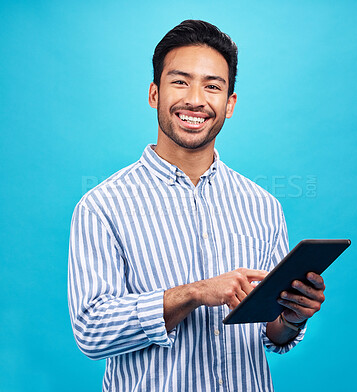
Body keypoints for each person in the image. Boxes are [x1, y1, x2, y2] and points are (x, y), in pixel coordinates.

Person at [68, 20, 326, 392]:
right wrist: (193, 293)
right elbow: (92, 332)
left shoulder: (263, 206)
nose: (195, 99)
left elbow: (273, 336)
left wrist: (291, 318)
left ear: (230, 104)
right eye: (180, 81)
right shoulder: (102, 206)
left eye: (212, 86)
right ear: (154, 93)